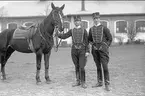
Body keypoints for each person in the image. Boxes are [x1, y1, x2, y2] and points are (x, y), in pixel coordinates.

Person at [57, 15, 90, 88]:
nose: (76, 22)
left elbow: (87, 41)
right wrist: (58, 34)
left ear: (80, 22)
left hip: (82, 50)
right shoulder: (71, 31)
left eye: (78, 21)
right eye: (75, 21)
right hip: (74, 51)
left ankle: (83, 82)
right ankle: (77, 81)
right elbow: (65, 36)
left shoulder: (84, 31)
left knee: (82, 66)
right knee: (76, 66)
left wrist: (87, 51)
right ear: (74, 22)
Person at [88, 12, 112, 91]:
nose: (96, 20)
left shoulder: (104, 28)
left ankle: (107, 84)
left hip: (103, 51)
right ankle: (99, 82)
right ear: (93, 19)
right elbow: (89, 39)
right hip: (95, 50)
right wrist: (93, 45)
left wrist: (105, 46)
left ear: (99, 19)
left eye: (97, 18)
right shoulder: (91, 29)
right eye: (94, 18)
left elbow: (110, 38)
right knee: (98, 67)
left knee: (105, 67)